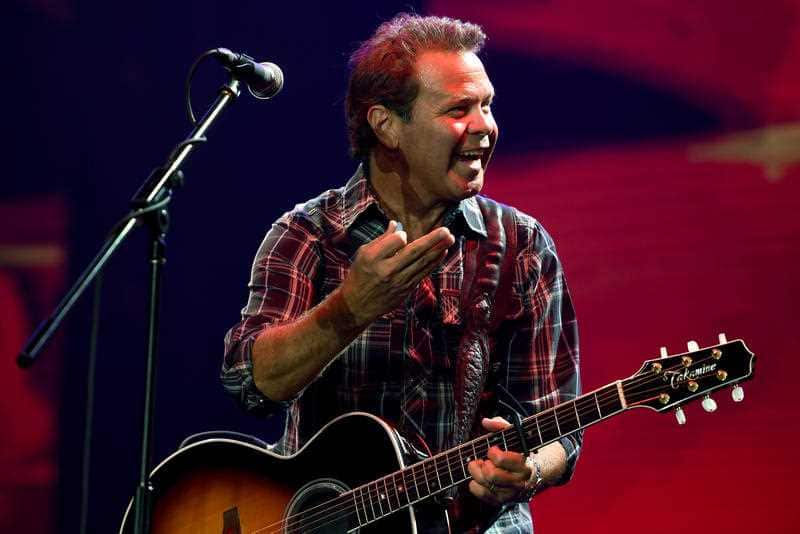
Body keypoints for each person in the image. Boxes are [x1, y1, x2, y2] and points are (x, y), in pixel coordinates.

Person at [223, 13, 580, 533]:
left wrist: (527, 470)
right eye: (459, 109)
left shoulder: (522, 247)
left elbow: (558, 425)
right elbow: (250, 384)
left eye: (487, 105)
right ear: (386, 125)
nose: (485, 127)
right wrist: (349, 310)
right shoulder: (309, 235)